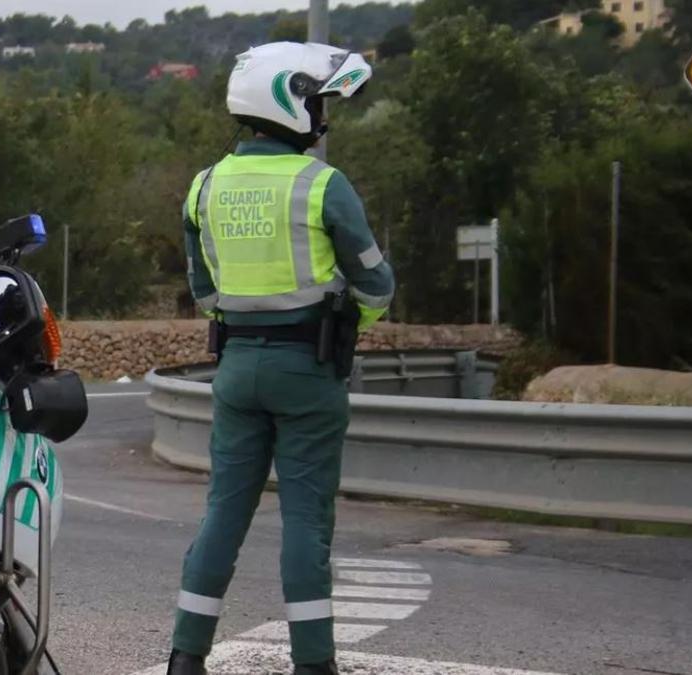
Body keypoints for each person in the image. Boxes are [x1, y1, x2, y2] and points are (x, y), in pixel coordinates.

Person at [167, 42, 395, 675]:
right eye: (318, 103)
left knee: (222, 515)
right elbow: (378, 285)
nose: (323, 117)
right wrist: (351, 319)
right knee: (305, 523)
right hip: (308, 370)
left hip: (236, 368)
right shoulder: (321, 184)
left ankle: (185, 656)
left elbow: (204, 292)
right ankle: (314, 665)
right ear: (290, 101)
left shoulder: (204, 185)